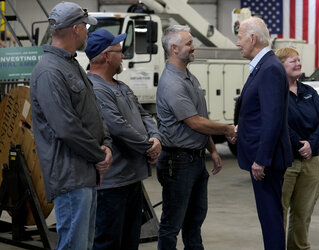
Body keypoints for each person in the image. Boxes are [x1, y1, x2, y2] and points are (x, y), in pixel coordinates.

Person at [29, 2, 112, 250]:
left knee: (84, 245)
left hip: (85, 173)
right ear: (76, 29)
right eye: (86, 27)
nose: (88, 32)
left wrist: (106, 144)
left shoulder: (71, 64)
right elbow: (66, 127)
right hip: (70, 175)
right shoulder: (48, 72)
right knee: (74, 245)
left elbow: (93, 112)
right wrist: (99, 155)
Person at [156, 24, 237, 250]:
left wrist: (212, 150)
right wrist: (228, 129)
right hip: (178, 162)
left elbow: (199, 118)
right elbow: (194, 122)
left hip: (194, 159)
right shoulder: (172, 83)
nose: (194, 47)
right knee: (172, 225)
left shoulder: (188, 77)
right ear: (174, 48)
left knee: (194, 221)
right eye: (189, 43)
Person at [85, 29, 163, 250]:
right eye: (120, 51)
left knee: (130, 239)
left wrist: (155, 137)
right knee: (108, 242)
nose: (123, 56)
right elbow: (117, 127)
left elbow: (144, 115)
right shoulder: (96, 89)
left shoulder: (122, 87)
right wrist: (148, 148)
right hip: (112, 184)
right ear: (107, 56)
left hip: (131, 179)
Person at [235, 17, 293, 250]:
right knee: (269, 216)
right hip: (262, 156)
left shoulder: (269, 68)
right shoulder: (265, 65)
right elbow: (260, 113)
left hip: (265, 162)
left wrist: (261, 159)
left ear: (252, 38)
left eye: (239, 37)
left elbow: (272, 118)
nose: (237, 43)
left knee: (270, 219)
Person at [275, 47, 319, 250]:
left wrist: (312, 144)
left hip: (310, 161)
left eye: (298, 60)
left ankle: (299, 247)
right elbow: (279, 123)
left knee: (303, 211)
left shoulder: (309, 92)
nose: (298, 63)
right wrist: (299, 145)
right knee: (278, 211)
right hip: (286, 161)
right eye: (292, 61)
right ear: (280, 66)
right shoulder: (276, 93)